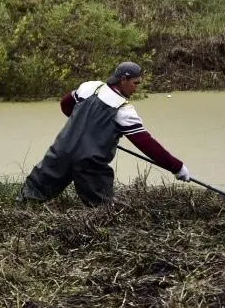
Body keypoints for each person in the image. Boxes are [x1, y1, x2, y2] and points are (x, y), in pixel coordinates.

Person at [19, 61, 191, 206]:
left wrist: (83, 125)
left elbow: (65, 104)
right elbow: (147, 145)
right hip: (90, 165)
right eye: (135, 83)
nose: (137, 88)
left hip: (61, 152)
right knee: (103, 211)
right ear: (123, 80)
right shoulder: (124, 110)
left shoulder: (89, 87)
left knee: (31, 196)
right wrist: (177, 167)